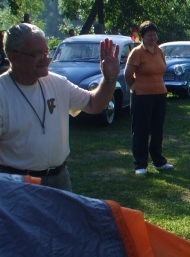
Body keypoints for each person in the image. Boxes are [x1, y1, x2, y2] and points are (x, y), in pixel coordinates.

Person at [0, 23, 120, 191]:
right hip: (18, 185)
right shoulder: (3, 92)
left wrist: (109, 79)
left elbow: (94, 104)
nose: (46, 59)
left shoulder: (57, 83)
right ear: (13, 56)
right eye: (37, 54)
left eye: (47, 52)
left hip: (60, 179)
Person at [124, 21, 173, 175]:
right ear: (142, 37)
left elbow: (162, 69)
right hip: (142, 96)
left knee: (157, 129)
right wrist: (136, 86)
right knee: (141, 130)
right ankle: (140, 164)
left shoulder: (159, 51)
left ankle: (159, 162)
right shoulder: (137, 52)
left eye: (154, 34)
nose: (153, 37)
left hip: (160, 94)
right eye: (149, 35)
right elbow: (127, 74)